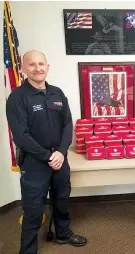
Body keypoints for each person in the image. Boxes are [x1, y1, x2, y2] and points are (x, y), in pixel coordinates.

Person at [6, 50, 87, 254]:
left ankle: (63, 233)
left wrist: (61, 152)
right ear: (24, 68)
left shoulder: (57, 93)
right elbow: (21, 136)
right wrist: (47, 156)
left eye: (41, 64)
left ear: (47, 67)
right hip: (34, 163)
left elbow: (67, 125)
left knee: (61, 199)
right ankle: (28, 250)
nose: (38, 68)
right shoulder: (17, 98)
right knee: (33, 210)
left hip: (60, 159)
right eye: (32, 64)